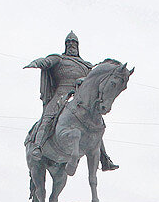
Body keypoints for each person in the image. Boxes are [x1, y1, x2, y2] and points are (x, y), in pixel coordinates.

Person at [26, 32, 119, 170]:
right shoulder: (59, 59)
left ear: (78, 46)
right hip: (60, 94)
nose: (71, 45)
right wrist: (39, 62)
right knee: (48, 116)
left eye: (74, 43)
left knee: (96, 124)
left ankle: (104, 159)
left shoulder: (86, 65)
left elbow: (92, 79)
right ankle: (38, 146)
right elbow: (47, 62)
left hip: (79, 97)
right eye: (68, 43)